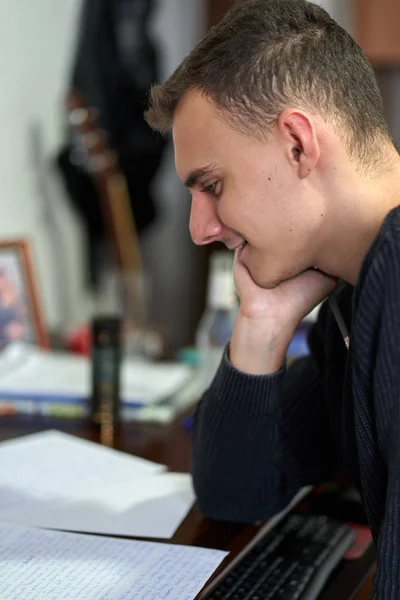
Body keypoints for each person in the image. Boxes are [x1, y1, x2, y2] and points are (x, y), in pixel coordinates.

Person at [145, 1, 400, 596]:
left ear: (297, 143)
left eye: (211, 186)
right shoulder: (354, 293)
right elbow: (236, 491)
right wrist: (261, 323)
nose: (199, 229)